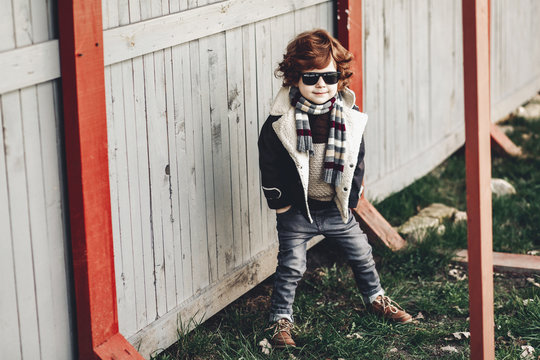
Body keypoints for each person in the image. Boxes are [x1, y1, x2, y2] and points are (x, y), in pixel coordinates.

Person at [257, 29, 412, 349]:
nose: (320, 85)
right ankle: (280, 318)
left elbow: (358, 158)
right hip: (298, 211)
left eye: (328, 76)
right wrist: (281, 206)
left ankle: (375, 297)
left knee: (362, 253)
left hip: (335, 208)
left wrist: (353, 198)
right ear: (294, 78)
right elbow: (269, 163)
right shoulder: (281, 121)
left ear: (339, 78)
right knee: (292, 264)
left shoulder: (349, 118)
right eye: (310, 77)